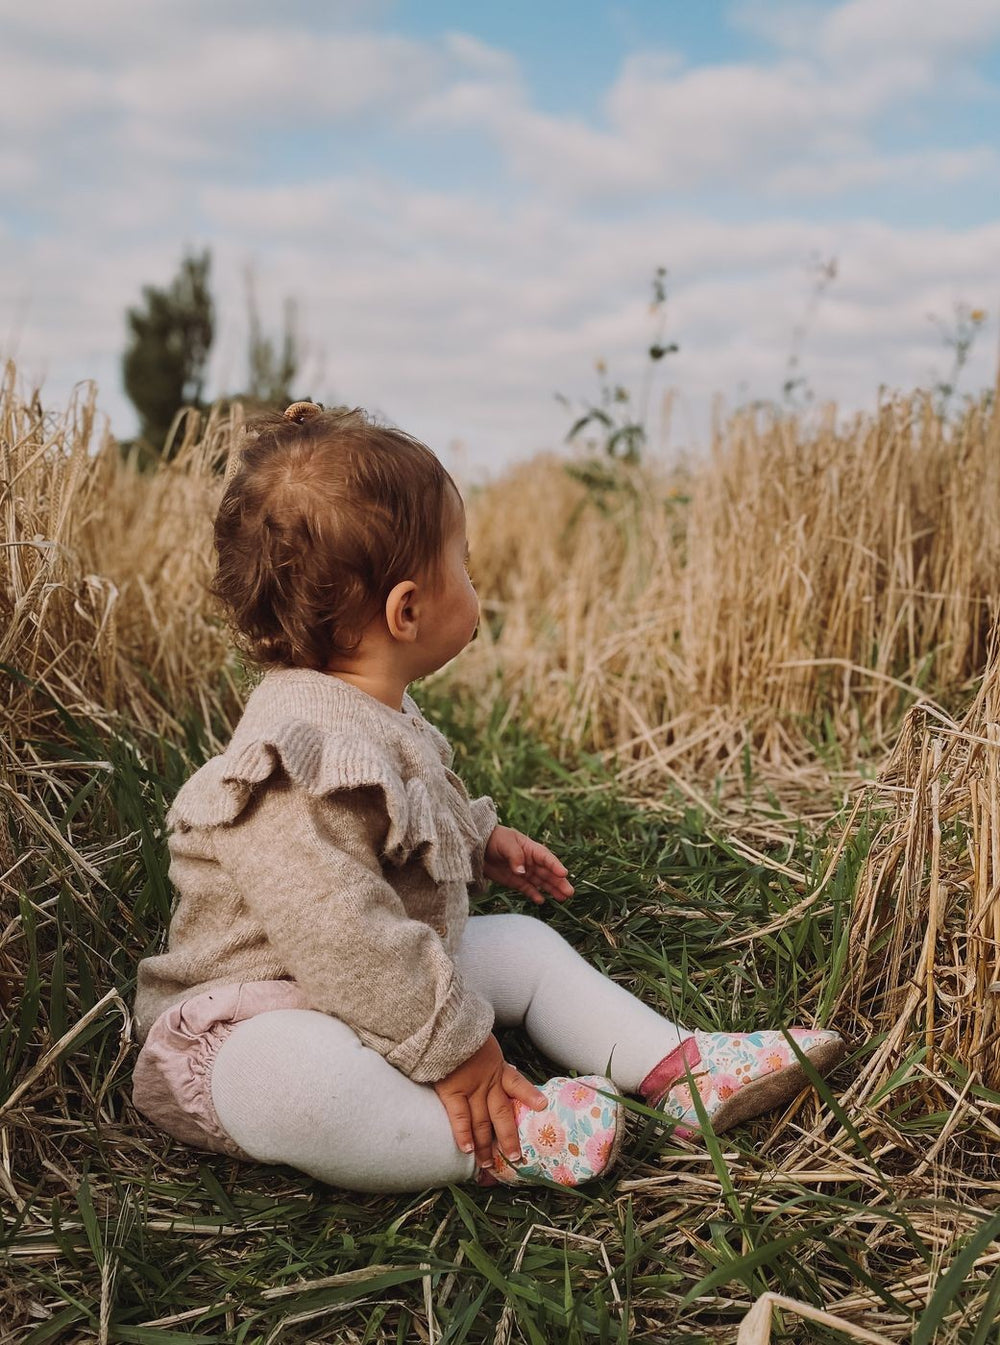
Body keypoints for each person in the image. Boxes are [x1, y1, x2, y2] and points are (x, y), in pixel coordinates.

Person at [131, 402, 845, 1193]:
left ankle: (679, 1063)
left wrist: (476, 842)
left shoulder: (370, 706)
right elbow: (338, 931)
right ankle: (487, 1143)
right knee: (300, 1082)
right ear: (406, 610)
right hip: (250, 1015)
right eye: (462, 565)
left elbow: (398, 810)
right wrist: (458, 1048)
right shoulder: (294, 751)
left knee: (526, 951)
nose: (475, 583)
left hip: (366, 978)